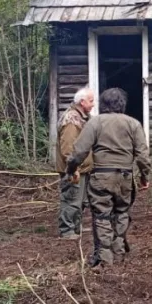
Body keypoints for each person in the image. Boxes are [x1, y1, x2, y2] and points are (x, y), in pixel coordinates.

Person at [66, 88, 151, 266]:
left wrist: (71, 168)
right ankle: (118, 252)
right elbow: (143, 155)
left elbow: (78, 151)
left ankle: (104, 258)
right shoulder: (134, 124)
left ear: (103, 104)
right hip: (125, 177)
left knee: (102, 216)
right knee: (122, 212)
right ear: (123, 104)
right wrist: (144, 176)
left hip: (101, 176)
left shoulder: (95, 123)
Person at [56, 87, 95, 240]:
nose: (93, 104)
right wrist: (73, 169)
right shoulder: (71, 119)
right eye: (91, 101)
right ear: (82, 102)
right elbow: (68, 147)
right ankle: (66, 230)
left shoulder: (83, 117)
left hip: (83, 168)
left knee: (81, 201)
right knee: (71, 199)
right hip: (74, 169)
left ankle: (75, 227)